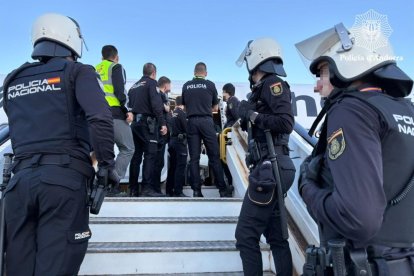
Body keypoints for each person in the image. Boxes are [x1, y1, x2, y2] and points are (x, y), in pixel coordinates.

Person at [1, 13, 119, 275]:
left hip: (18, 185)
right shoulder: (78, 72)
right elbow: (100, 118)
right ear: (71, 39)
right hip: (63, 182)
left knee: (18, 268)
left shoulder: (13, 78)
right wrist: (107, 166)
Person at [296, 23, 414, 275]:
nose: (317, 86)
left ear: (347, 64)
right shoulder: (405, 111)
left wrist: (307, 189)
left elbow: (358, 219)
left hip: (362, 264)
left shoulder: (351, 111)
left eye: (323, 74)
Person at [234, 38, 296, 276]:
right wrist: (244, 113)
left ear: (255, 59)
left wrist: (253, 116)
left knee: (245, 235)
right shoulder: (261, 90)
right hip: (272, 167)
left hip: (271, 166)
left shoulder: (273, 84)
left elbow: (285, 122)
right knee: (276, 237)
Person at [181, 62, 233, 198]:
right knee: (214, 157)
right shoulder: (210, 85)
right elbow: (216, 108)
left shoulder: (186, 85)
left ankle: (196, 191)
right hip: (206, 121)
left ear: (194, 72)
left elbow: (185, 108)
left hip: (191, 122)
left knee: (194, 159)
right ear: (206, 73)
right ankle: (222, 190)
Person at [96, 45, 134, 195]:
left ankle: (100, 186)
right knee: (128, 148)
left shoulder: (94, 69)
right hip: (115, 114)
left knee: (105, 153)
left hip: (98, 115)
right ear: (116, 56)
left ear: (102, 56)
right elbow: (119, 91)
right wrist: (127, 111)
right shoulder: (116, 67)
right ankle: (113, 184)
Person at [128, 63, 166, 197]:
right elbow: (156, 105)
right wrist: (162, 123)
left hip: (135, 125)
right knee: (150, 156)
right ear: (154, 73)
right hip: (148, 124)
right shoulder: (152, 83)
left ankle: (132, 189)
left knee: (136, 157)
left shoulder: (133, 87)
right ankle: (146, 189)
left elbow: (129, 106)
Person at [152, 76, 171, 193]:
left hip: (161, 133)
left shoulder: (162, 95)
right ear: (166, 85)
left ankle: (156, 188)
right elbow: (166, 109)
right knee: (158, 162)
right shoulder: (159, 94)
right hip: (159, 132)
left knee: (160, 162)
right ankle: (155, 188)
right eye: (169, 85)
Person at [166, 96, 188, 197]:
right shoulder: (182, 113)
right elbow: (186, 128)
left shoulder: (172, 113)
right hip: (180, 142)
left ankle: (169, 190)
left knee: (173, 167)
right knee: (180, 167)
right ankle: (178, 191)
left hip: (172, 141)